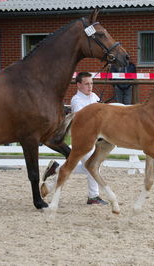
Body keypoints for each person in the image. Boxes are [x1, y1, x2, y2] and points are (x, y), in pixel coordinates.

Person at [42, 72, 107, 205]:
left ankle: (56, 170)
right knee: (93, 166)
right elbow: (83, 118)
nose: (90, 87)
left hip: (93, 139)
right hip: (81, 140)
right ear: (78, 85)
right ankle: (93, 196)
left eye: (91, 84)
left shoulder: (93, 96)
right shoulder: (76, 100)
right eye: (87, 84)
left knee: (88, 167)